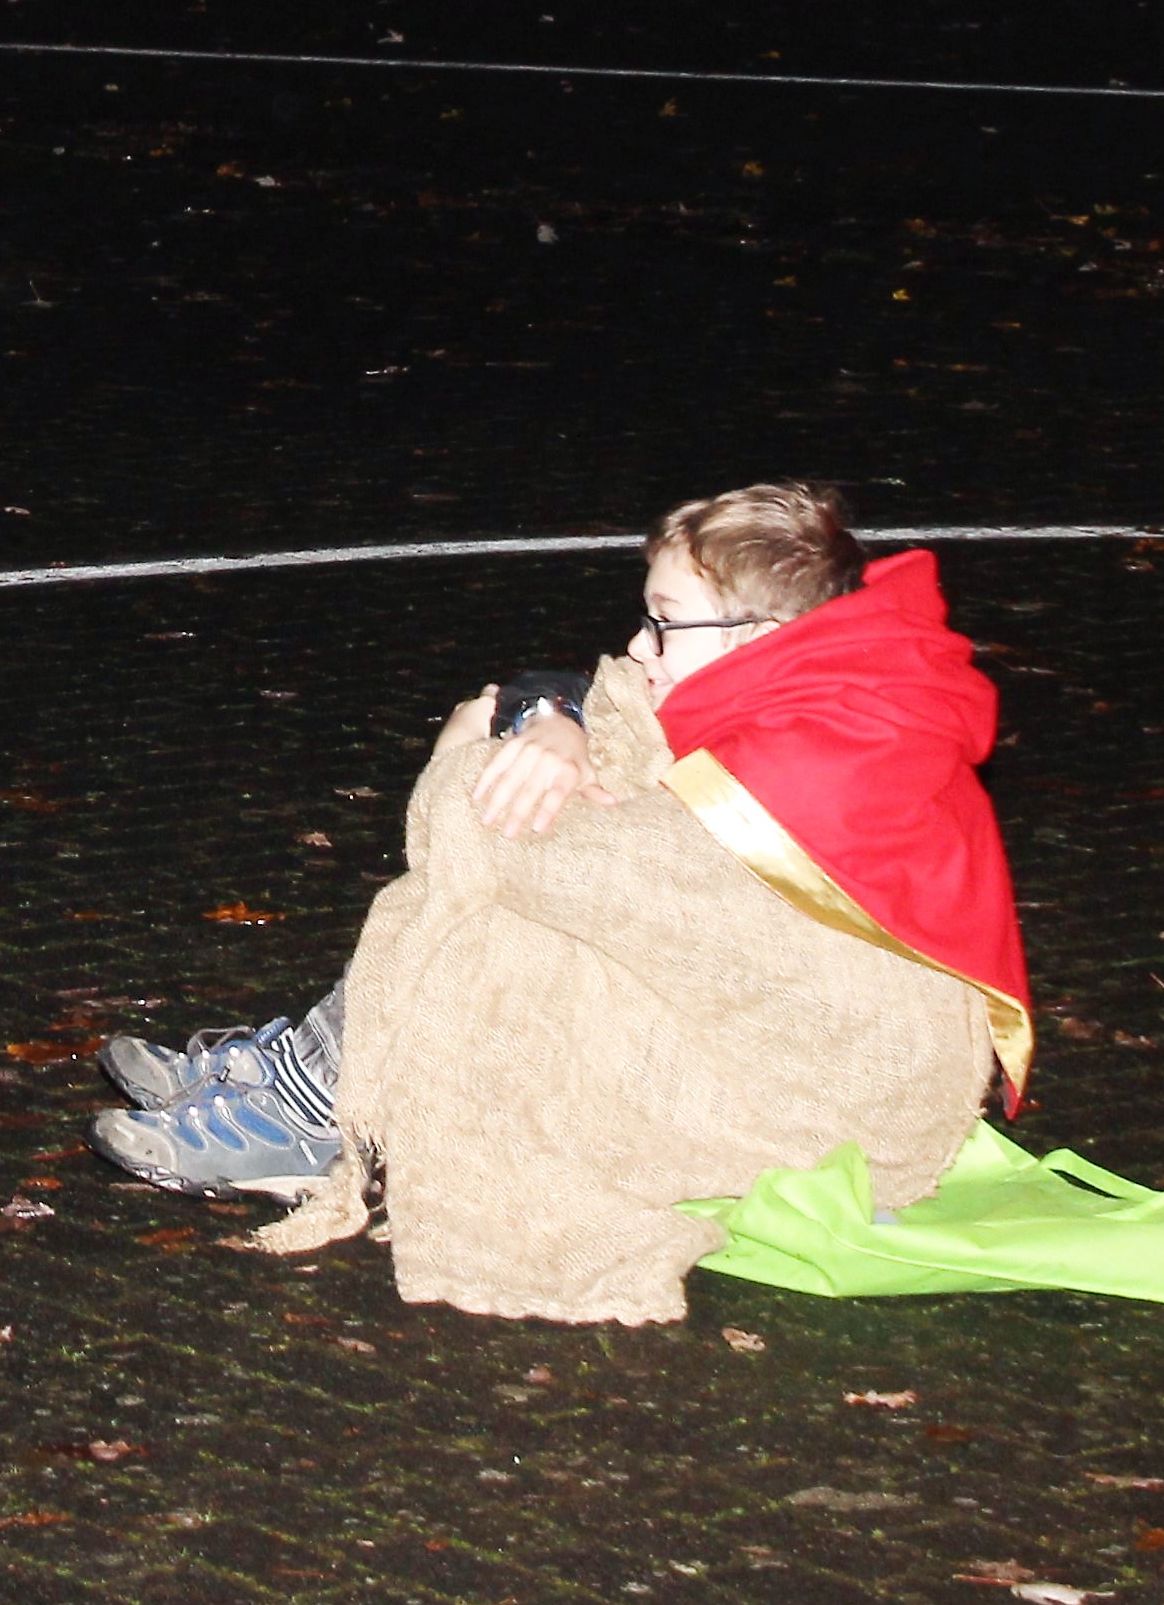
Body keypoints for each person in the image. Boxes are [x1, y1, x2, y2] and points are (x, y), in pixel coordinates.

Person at [101, 484, 1027, 1332]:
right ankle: (308, 1077)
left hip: (836, 1112)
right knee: (546, 809)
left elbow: (506, 837)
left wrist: (487, 739)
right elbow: (580, 695)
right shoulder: (829, 680)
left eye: (665, 623)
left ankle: (317, 1110)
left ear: (759, 632)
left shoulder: (818, 758)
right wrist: (548, 719)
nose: (640, 647)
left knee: (509, 924)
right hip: (771, 1037)